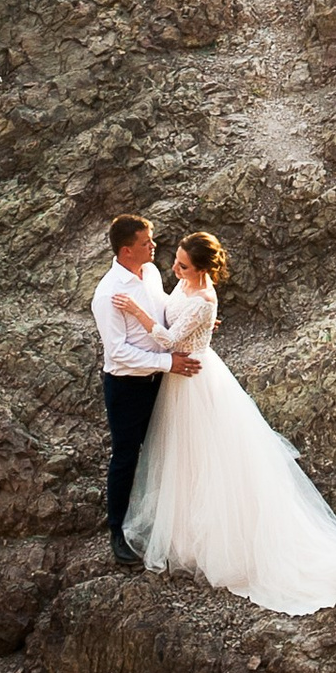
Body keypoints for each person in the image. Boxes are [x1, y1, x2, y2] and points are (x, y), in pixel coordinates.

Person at [116, 229, 336, 615]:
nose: (174, 267)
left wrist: (137, 313)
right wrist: (193, 324)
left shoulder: (204, 299)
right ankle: (186, 536)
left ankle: (224, 541)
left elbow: (167, 339)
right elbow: (176, 313)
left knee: (210, 457)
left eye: (182, 264)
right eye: (176, 261)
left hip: (197, 383)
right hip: (179, 382)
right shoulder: (186, 288)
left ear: (201, 268)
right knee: (184, 459)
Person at [92, 213, 200, 569]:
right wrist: (169, 364)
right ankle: (117, 532)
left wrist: (195, 320)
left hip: (159, 381)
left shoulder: (151, 273)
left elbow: (164, 314)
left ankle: (161, 521)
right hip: (126, 386)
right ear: (126, 250)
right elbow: (118, 353)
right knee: (126, 456)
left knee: (163, 448)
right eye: (146, 242)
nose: (154, 246)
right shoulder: (108, 293)